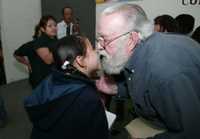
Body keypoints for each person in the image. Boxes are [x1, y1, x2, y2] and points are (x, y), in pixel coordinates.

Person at [96, 3, 200, 139]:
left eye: (105, 40)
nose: (99, 47)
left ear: (132, 39)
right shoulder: (142, 49)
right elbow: (143, 84)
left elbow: (191, 133)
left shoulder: (166, 73)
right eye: (99, 38)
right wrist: (117, 89)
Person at [24, 36, 109, 139]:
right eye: (92, 49)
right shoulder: (88, 98)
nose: (97, 51)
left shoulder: (51, 79)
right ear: (80, 61)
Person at [14, 15, 57, 89]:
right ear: (42, 30)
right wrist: (27, 63)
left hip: (52, 77)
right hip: (41, 81)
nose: (54, 28)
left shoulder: (54, 40)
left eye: (55, 25)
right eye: (50, 26)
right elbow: (16, 54)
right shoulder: (34, 44)